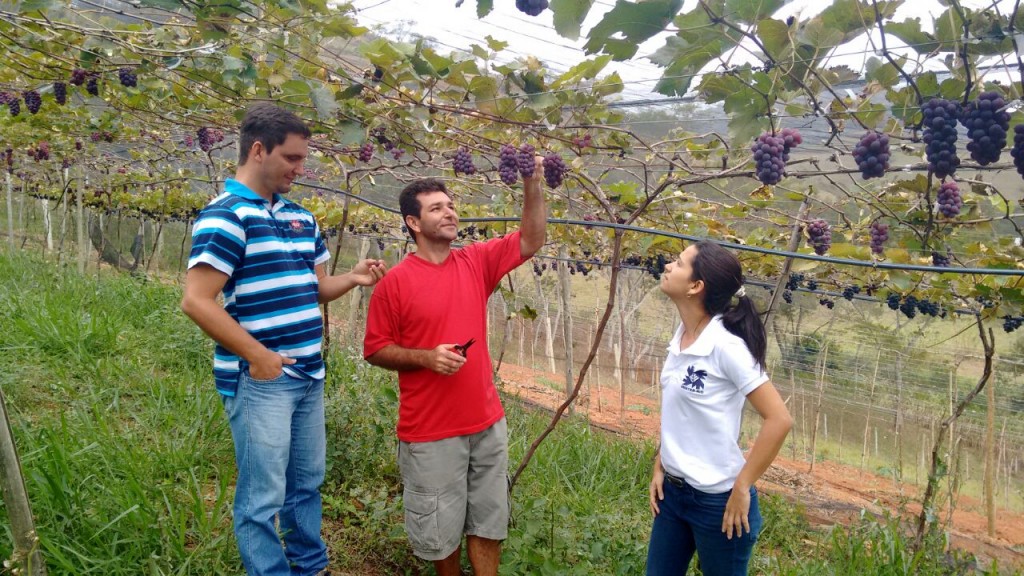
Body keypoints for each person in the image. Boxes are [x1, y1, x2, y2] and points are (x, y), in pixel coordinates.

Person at [180, 102, 386, 576]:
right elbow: (197, 300)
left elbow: (315, 290)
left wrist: (352, 279)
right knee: (262, 495)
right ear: (258, 150)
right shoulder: (226, 217)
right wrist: (257, 356)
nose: (300, 167)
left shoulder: (301, 217)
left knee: (306, 484)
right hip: (263, 380)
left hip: (309, 373)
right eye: (292, 158)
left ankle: (311, 568)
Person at [362, 163, 546, 576]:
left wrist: (532, 183)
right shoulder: (396, 283)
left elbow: (532, 239)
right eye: (436, 208)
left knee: (488, 518)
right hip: (430, 431)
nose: (449, 213)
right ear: (413, 222)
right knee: (439, 531)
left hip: (485, 422)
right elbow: (374, 350)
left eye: (450, 206)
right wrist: (426, 357)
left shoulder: (475, 262)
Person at [647, 241, 792, 576]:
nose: (668, 266)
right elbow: (681, 414)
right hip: (673, 497)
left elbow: (779, 419)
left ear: (696, 286)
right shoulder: (683, 335)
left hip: (718, 503)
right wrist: (662, 462)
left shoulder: (727, 347)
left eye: (679, 263)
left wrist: (743, 486)